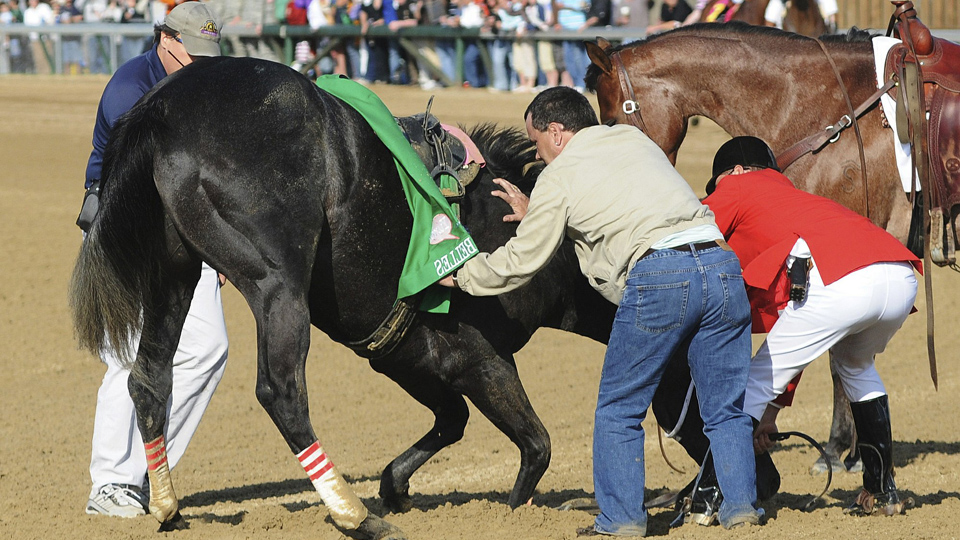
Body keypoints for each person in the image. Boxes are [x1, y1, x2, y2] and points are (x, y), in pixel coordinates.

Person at [438, 87, 762, 536]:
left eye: (536, 142)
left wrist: (463, 275)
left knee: (619, 409)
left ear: (556, 132)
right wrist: (541, 212)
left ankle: (622, 519)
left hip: (661, 275)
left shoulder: (558, 176)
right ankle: (742, 508)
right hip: (721, 267)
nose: (537, 152)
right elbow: (623, 205)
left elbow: (521, 263)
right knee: (725, 408)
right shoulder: (633, 139)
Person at [701, 136, 920, 516]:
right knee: (855, 366)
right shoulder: (797, 198)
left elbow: (689, 227)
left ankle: (710, 493)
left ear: (736, 171)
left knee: (752, 383)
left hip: (838, 279)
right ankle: (881, 491)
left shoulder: (738, 184)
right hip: (898, 274)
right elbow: (799, 328)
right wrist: (771, 414)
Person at [80, 1, 229, 518]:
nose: (203, 65)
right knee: (127, 355)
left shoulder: (202, 83)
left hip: (185, 231)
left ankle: (146, 473)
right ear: (165, 40)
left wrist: (222, 241)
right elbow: (132, 192)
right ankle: (111, 483)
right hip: (125, 231)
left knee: (208, 350)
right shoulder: (130, 90)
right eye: (194, 55)